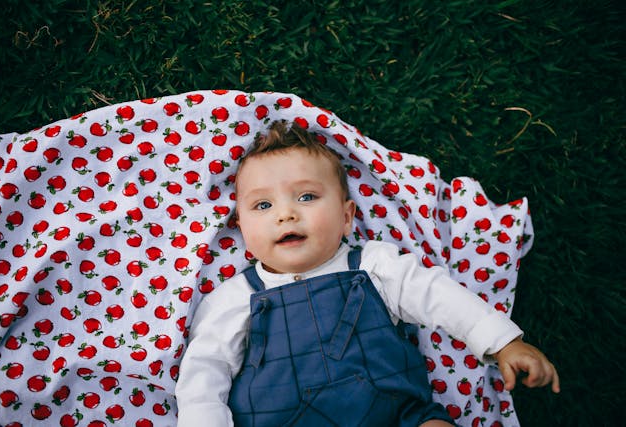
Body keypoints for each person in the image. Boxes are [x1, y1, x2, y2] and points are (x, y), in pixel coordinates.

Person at [176, 120, 560, 426]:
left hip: (397, 416)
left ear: (346, 218)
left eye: (307, 197)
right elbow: (204, 375)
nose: (285, 213)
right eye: (262, 205)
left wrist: (502, 341)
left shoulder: (376, 265)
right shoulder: (233, 298)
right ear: (242, 229)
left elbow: (440, 297)